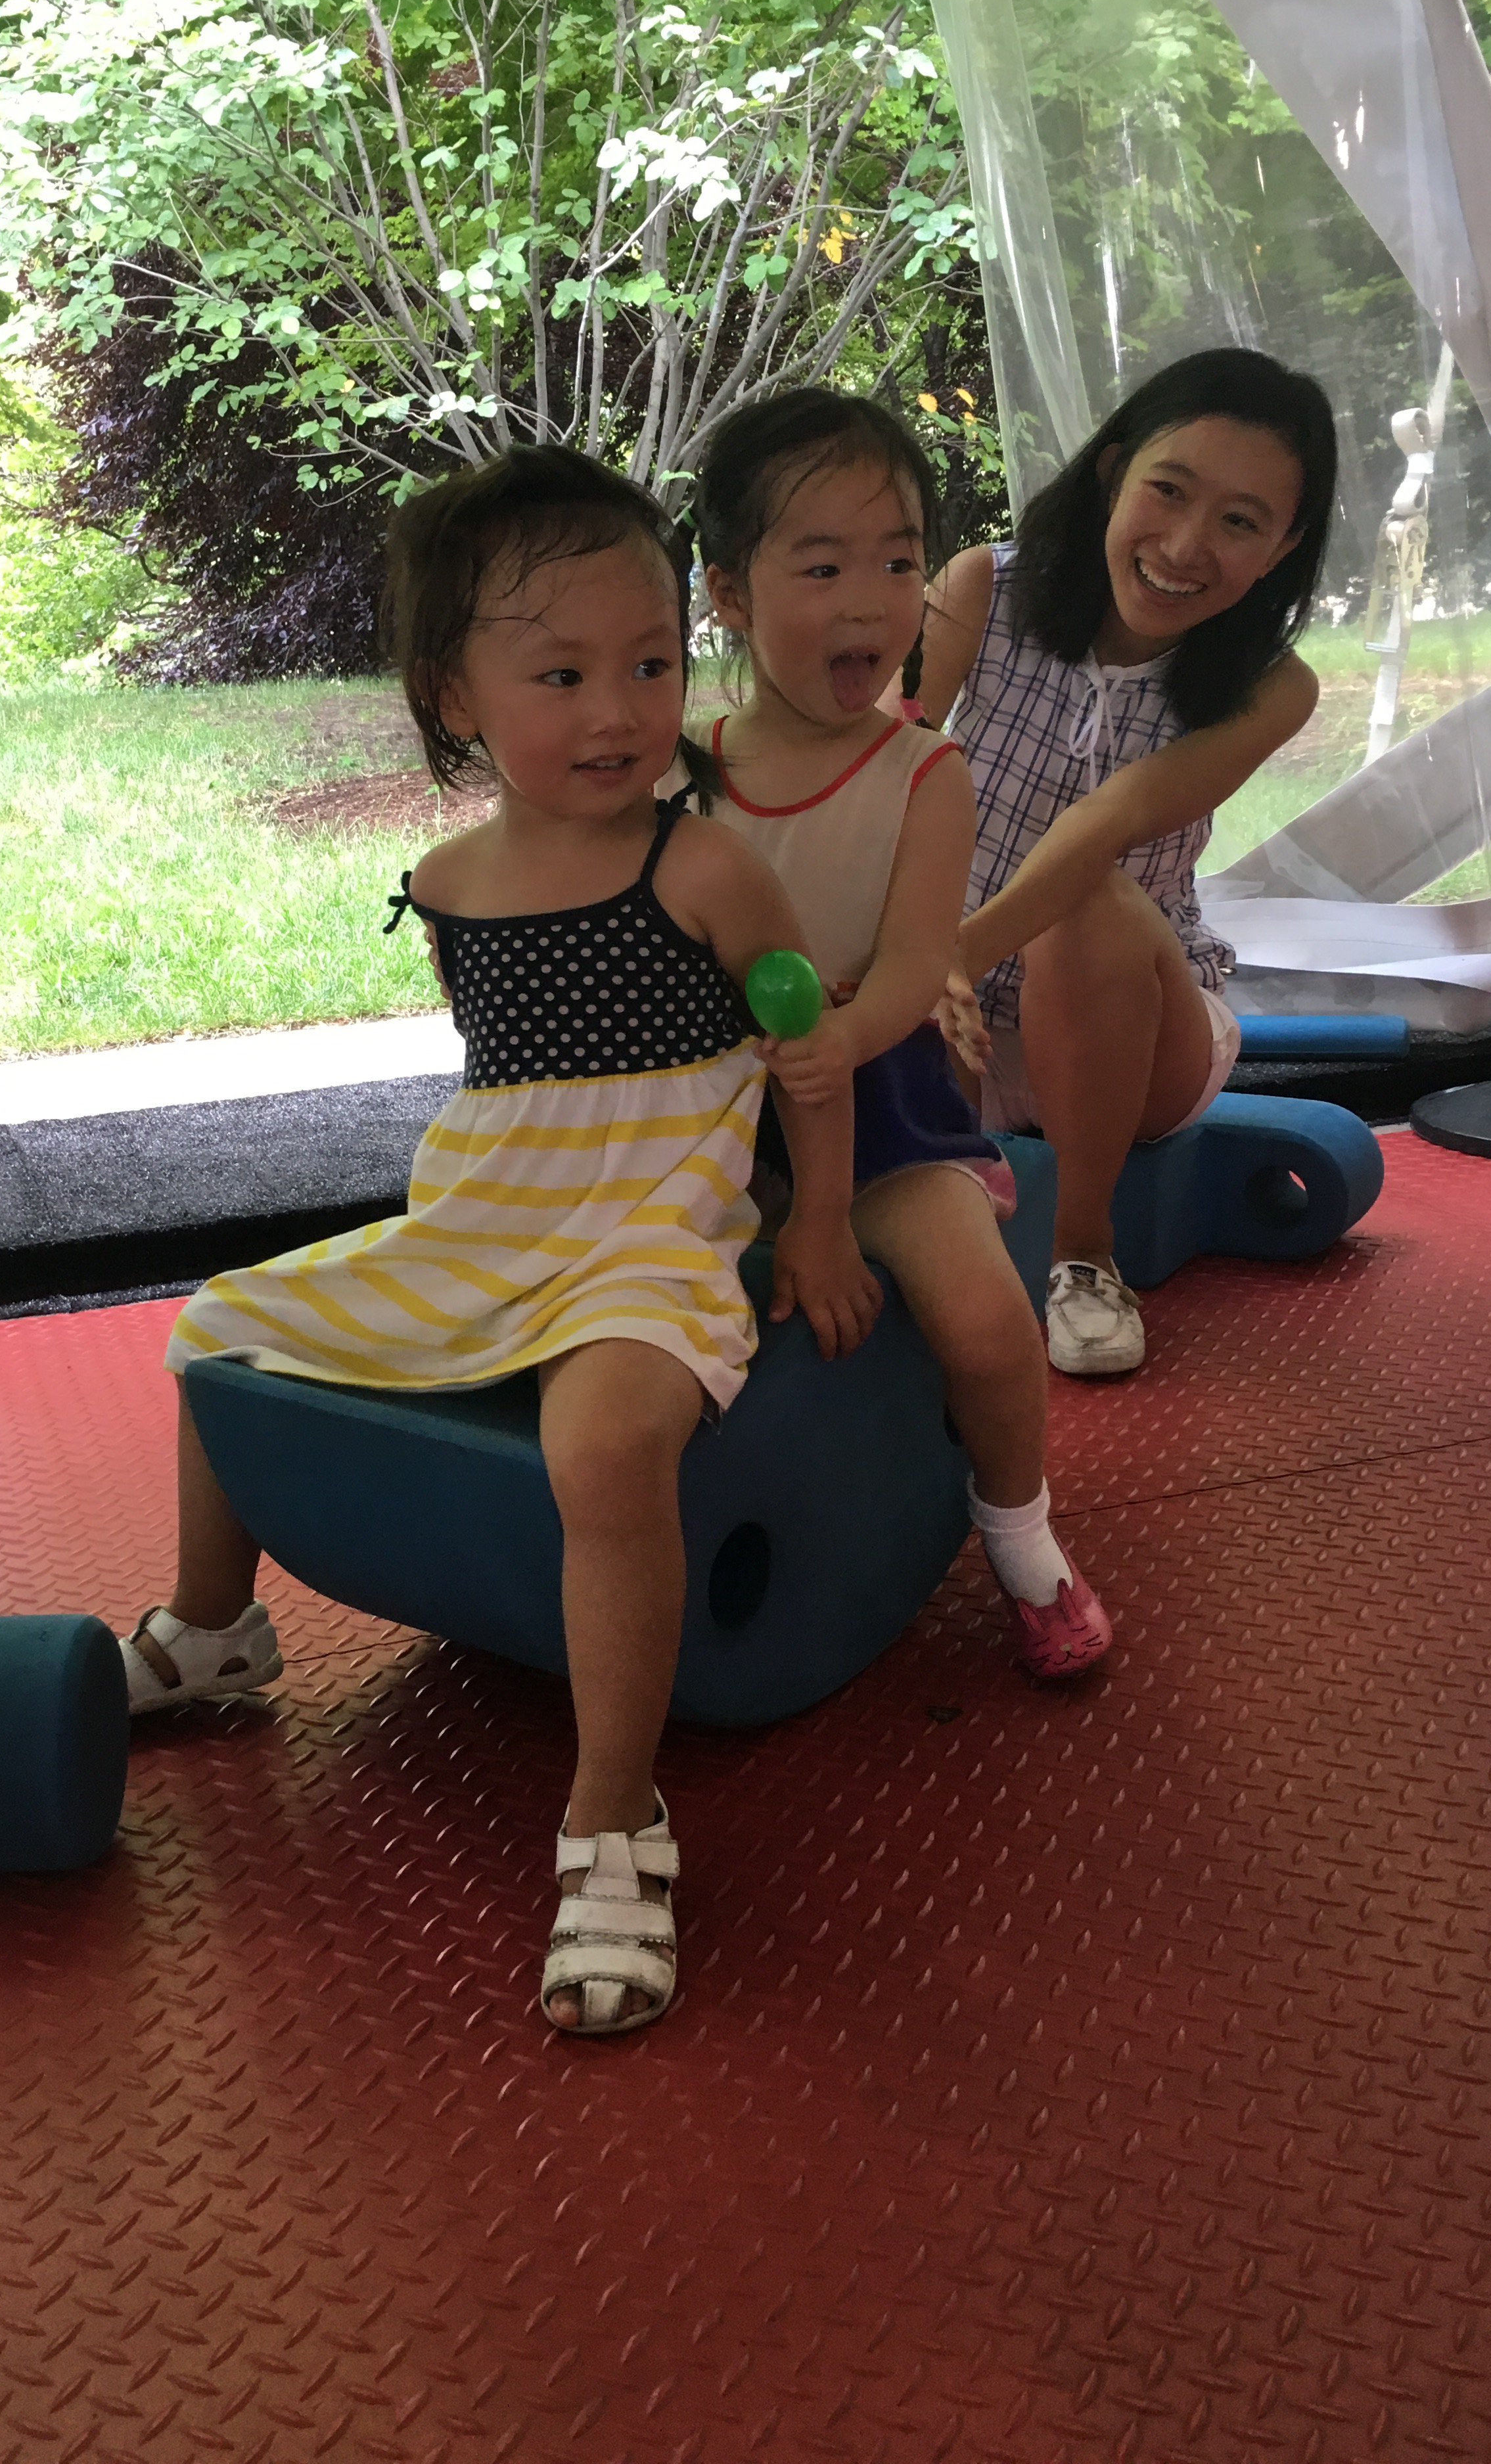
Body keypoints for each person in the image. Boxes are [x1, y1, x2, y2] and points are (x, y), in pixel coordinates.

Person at [120, 445, 879, 2040]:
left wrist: (818, 1218)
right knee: (218, 1329)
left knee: (603, 1446)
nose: (618, 711)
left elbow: (806, 1051)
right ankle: (214, 1628)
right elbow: (504, 1085)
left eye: (652, 666)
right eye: (562, 674)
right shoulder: (449, 886)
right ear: (454, 695)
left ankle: (613, 1817)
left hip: (649, 1230)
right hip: (483, 1220)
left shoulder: (704, 866)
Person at [687, 386, 1113, 1681]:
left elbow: (921, 963)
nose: (870, 603)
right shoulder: (678, 768)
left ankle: (1022, 1533)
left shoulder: (924, 772)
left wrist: (835, 1044)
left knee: (985, 1319)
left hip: (875, 1099)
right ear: (730, 593)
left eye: (898, 565)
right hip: (705, 1116)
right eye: (823, 567)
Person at [907, 349, 1337, 1379]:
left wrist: (945, 958)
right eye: (1169, 491)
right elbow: (882, 754)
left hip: (1134, 1031)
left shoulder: (1275, 687)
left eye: (1241, 522)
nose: (1185, 547)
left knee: (1093, 898)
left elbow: (1115, 819)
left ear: (1282, 548)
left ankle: (1084, 1258)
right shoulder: (983, 585)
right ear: (1113, 472)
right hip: (946, 1004)